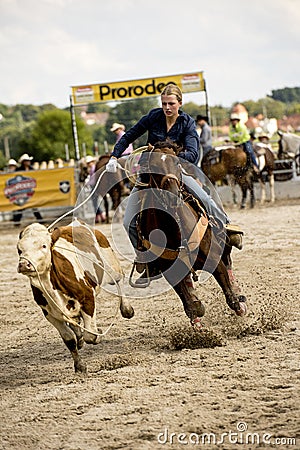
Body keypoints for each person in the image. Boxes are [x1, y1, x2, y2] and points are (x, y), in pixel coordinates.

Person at [106, 84, 242, 283]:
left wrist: (170, 157)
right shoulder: (153, 117)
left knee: (205, 196)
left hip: (176, 171)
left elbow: (193, 153)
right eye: (164, 104)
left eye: (171, 103)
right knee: (128, 222)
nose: (167, 108)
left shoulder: (187, 123)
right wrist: (114, 156)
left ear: (180, 103)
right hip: (150, 175)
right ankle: (146, 260)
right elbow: (129, 135)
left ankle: (226, 228)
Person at [12, 153, 44, 226]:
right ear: (23, 162)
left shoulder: (32, 169)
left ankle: (40, 219)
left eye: (28, 160)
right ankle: (16, 221)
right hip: (22, 190)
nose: (28, 162)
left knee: (33, 206)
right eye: (26, 161)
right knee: (21, 206)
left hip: (30, 190)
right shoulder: (19, 170)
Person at [85, 155, 106, 223]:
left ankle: (100, 214)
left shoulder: (93, 168)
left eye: (89, 163)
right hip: (94, 185)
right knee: (95, 202)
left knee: (94, 201)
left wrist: (88, 183)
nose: (88, 164)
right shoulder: (93, 168)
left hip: (95, 185)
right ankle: (100, 215)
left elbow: (93, 179)